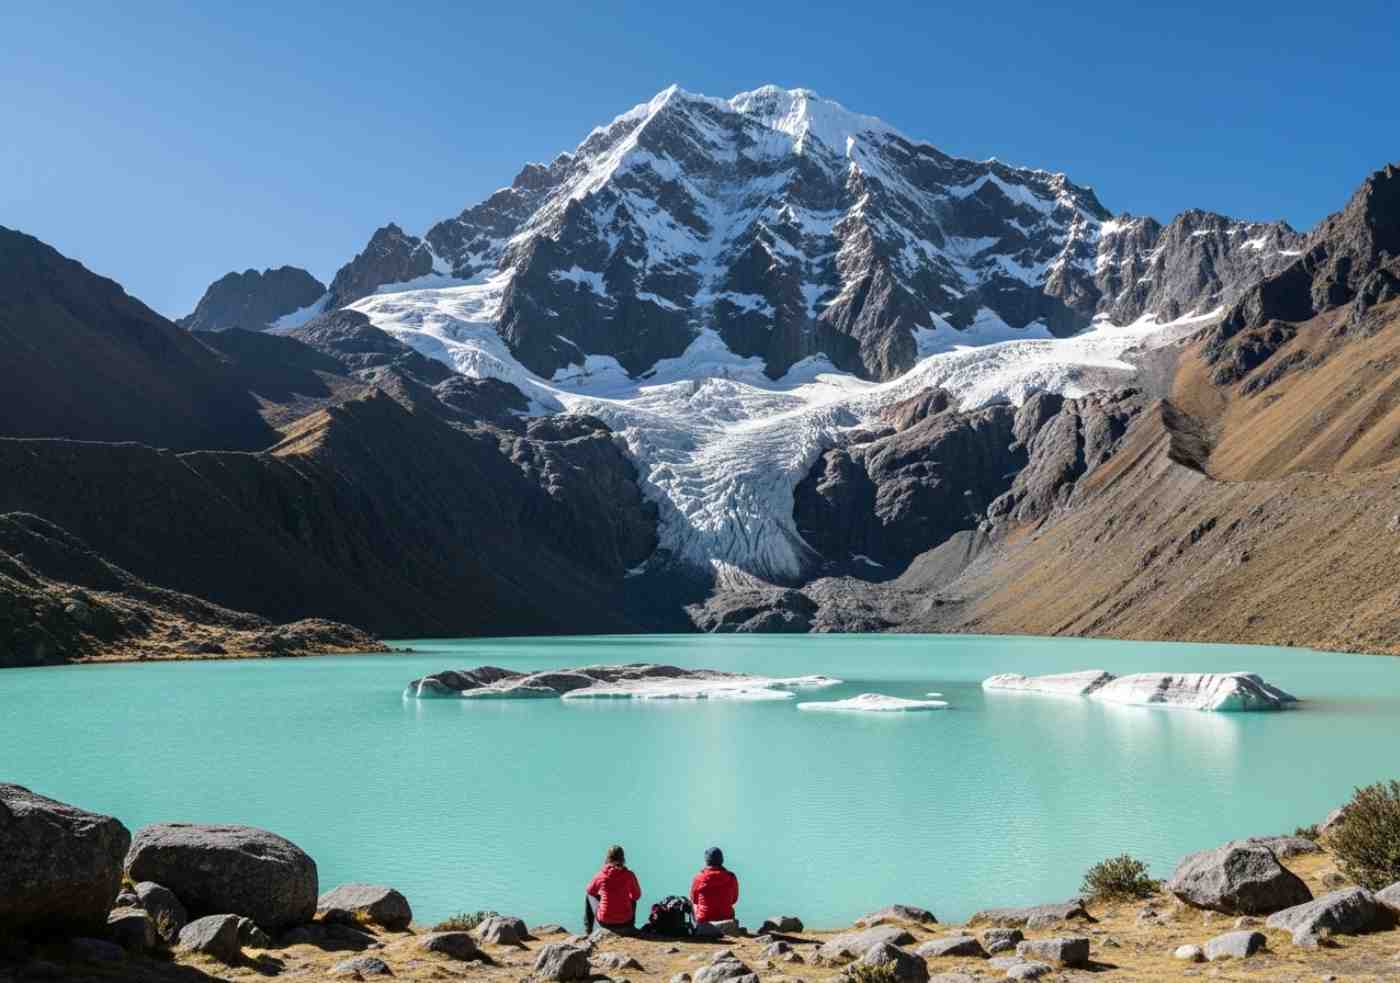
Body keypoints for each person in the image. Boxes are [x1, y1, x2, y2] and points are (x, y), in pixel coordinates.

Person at [585, 844, 642, 934]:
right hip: (625, 921)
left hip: (605, 922)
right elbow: (636, 896)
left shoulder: (601, 875)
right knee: (632, 899)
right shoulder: (629, 875)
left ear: (608, 858)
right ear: (623, 858)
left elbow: (590, 891)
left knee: (589, 895)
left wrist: (602, 895)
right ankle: (631, 927)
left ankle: (588, 930)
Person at [689, 846, 739, 926]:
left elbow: (694, 899)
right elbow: (734, 900)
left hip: (704, 919)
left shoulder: (699, 877)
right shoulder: (731, 877)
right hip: (726, 918)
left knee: (692, 903)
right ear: (721, 860)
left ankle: (697, 927)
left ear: (707, 861)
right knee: (730, 908)